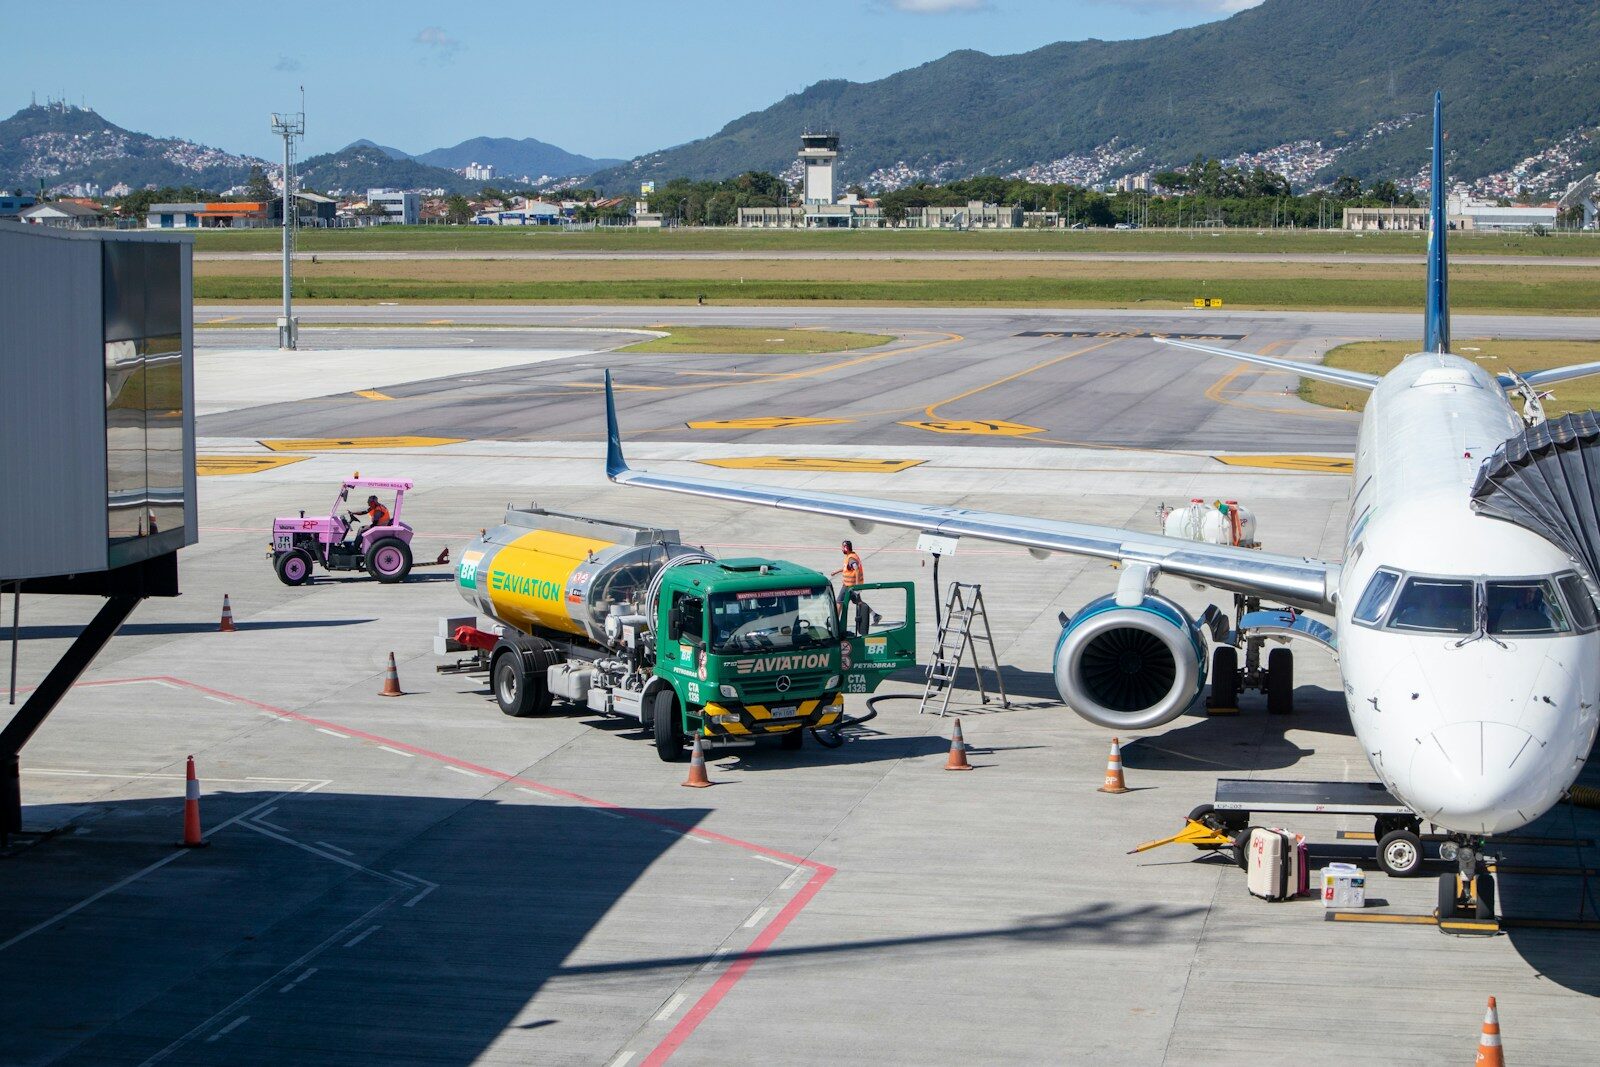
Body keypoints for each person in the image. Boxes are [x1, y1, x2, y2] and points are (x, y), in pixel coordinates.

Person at [832, 540, 872, 635]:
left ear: (846, 548)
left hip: (849, 586)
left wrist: (857, 586)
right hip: (850, 586)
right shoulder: (851, 556)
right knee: (859, 602)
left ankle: (835, 622)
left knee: (839, 602)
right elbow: (847, 568)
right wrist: (836, 572)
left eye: (842, 547)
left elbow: (856, 569)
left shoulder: (851, 559)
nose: (841, 549)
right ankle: (875, 615)